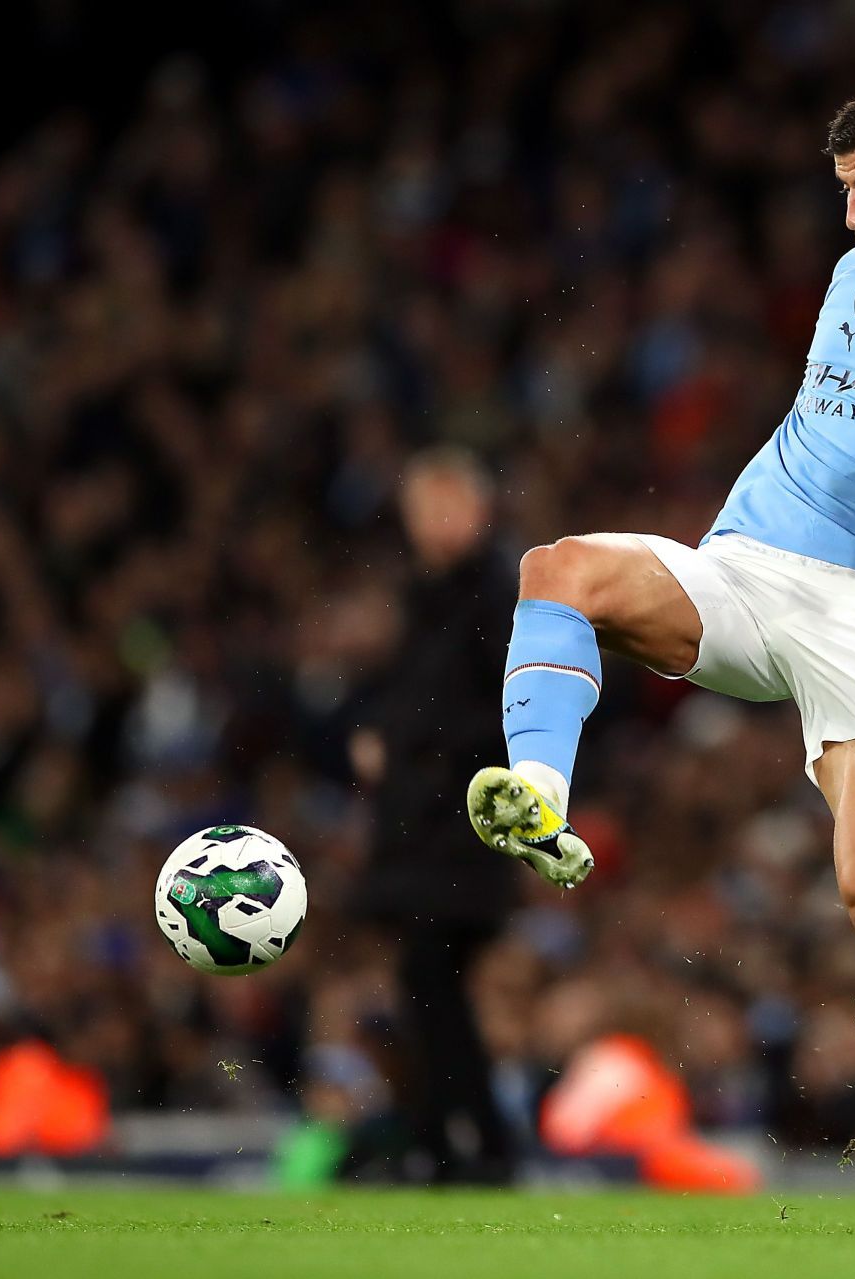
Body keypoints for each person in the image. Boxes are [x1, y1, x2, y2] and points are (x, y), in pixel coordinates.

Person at [461, 74, 855, 1233]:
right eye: (845, 190)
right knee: (559, 568)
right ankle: (541, 795)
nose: (852, 216)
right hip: (744, 567)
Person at [350, 447, 518, 1183]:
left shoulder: (493, 596)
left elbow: (510, 707)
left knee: (430, 980)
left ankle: (464, 1144)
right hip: (422, 835)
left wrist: (413, 745)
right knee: (429, 985)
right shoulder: (428, 597)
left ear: (477, 510)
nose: (430, 524)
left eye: (442, 507)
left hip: (459, 832)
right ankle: (460, 1142)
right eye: (421, 510)